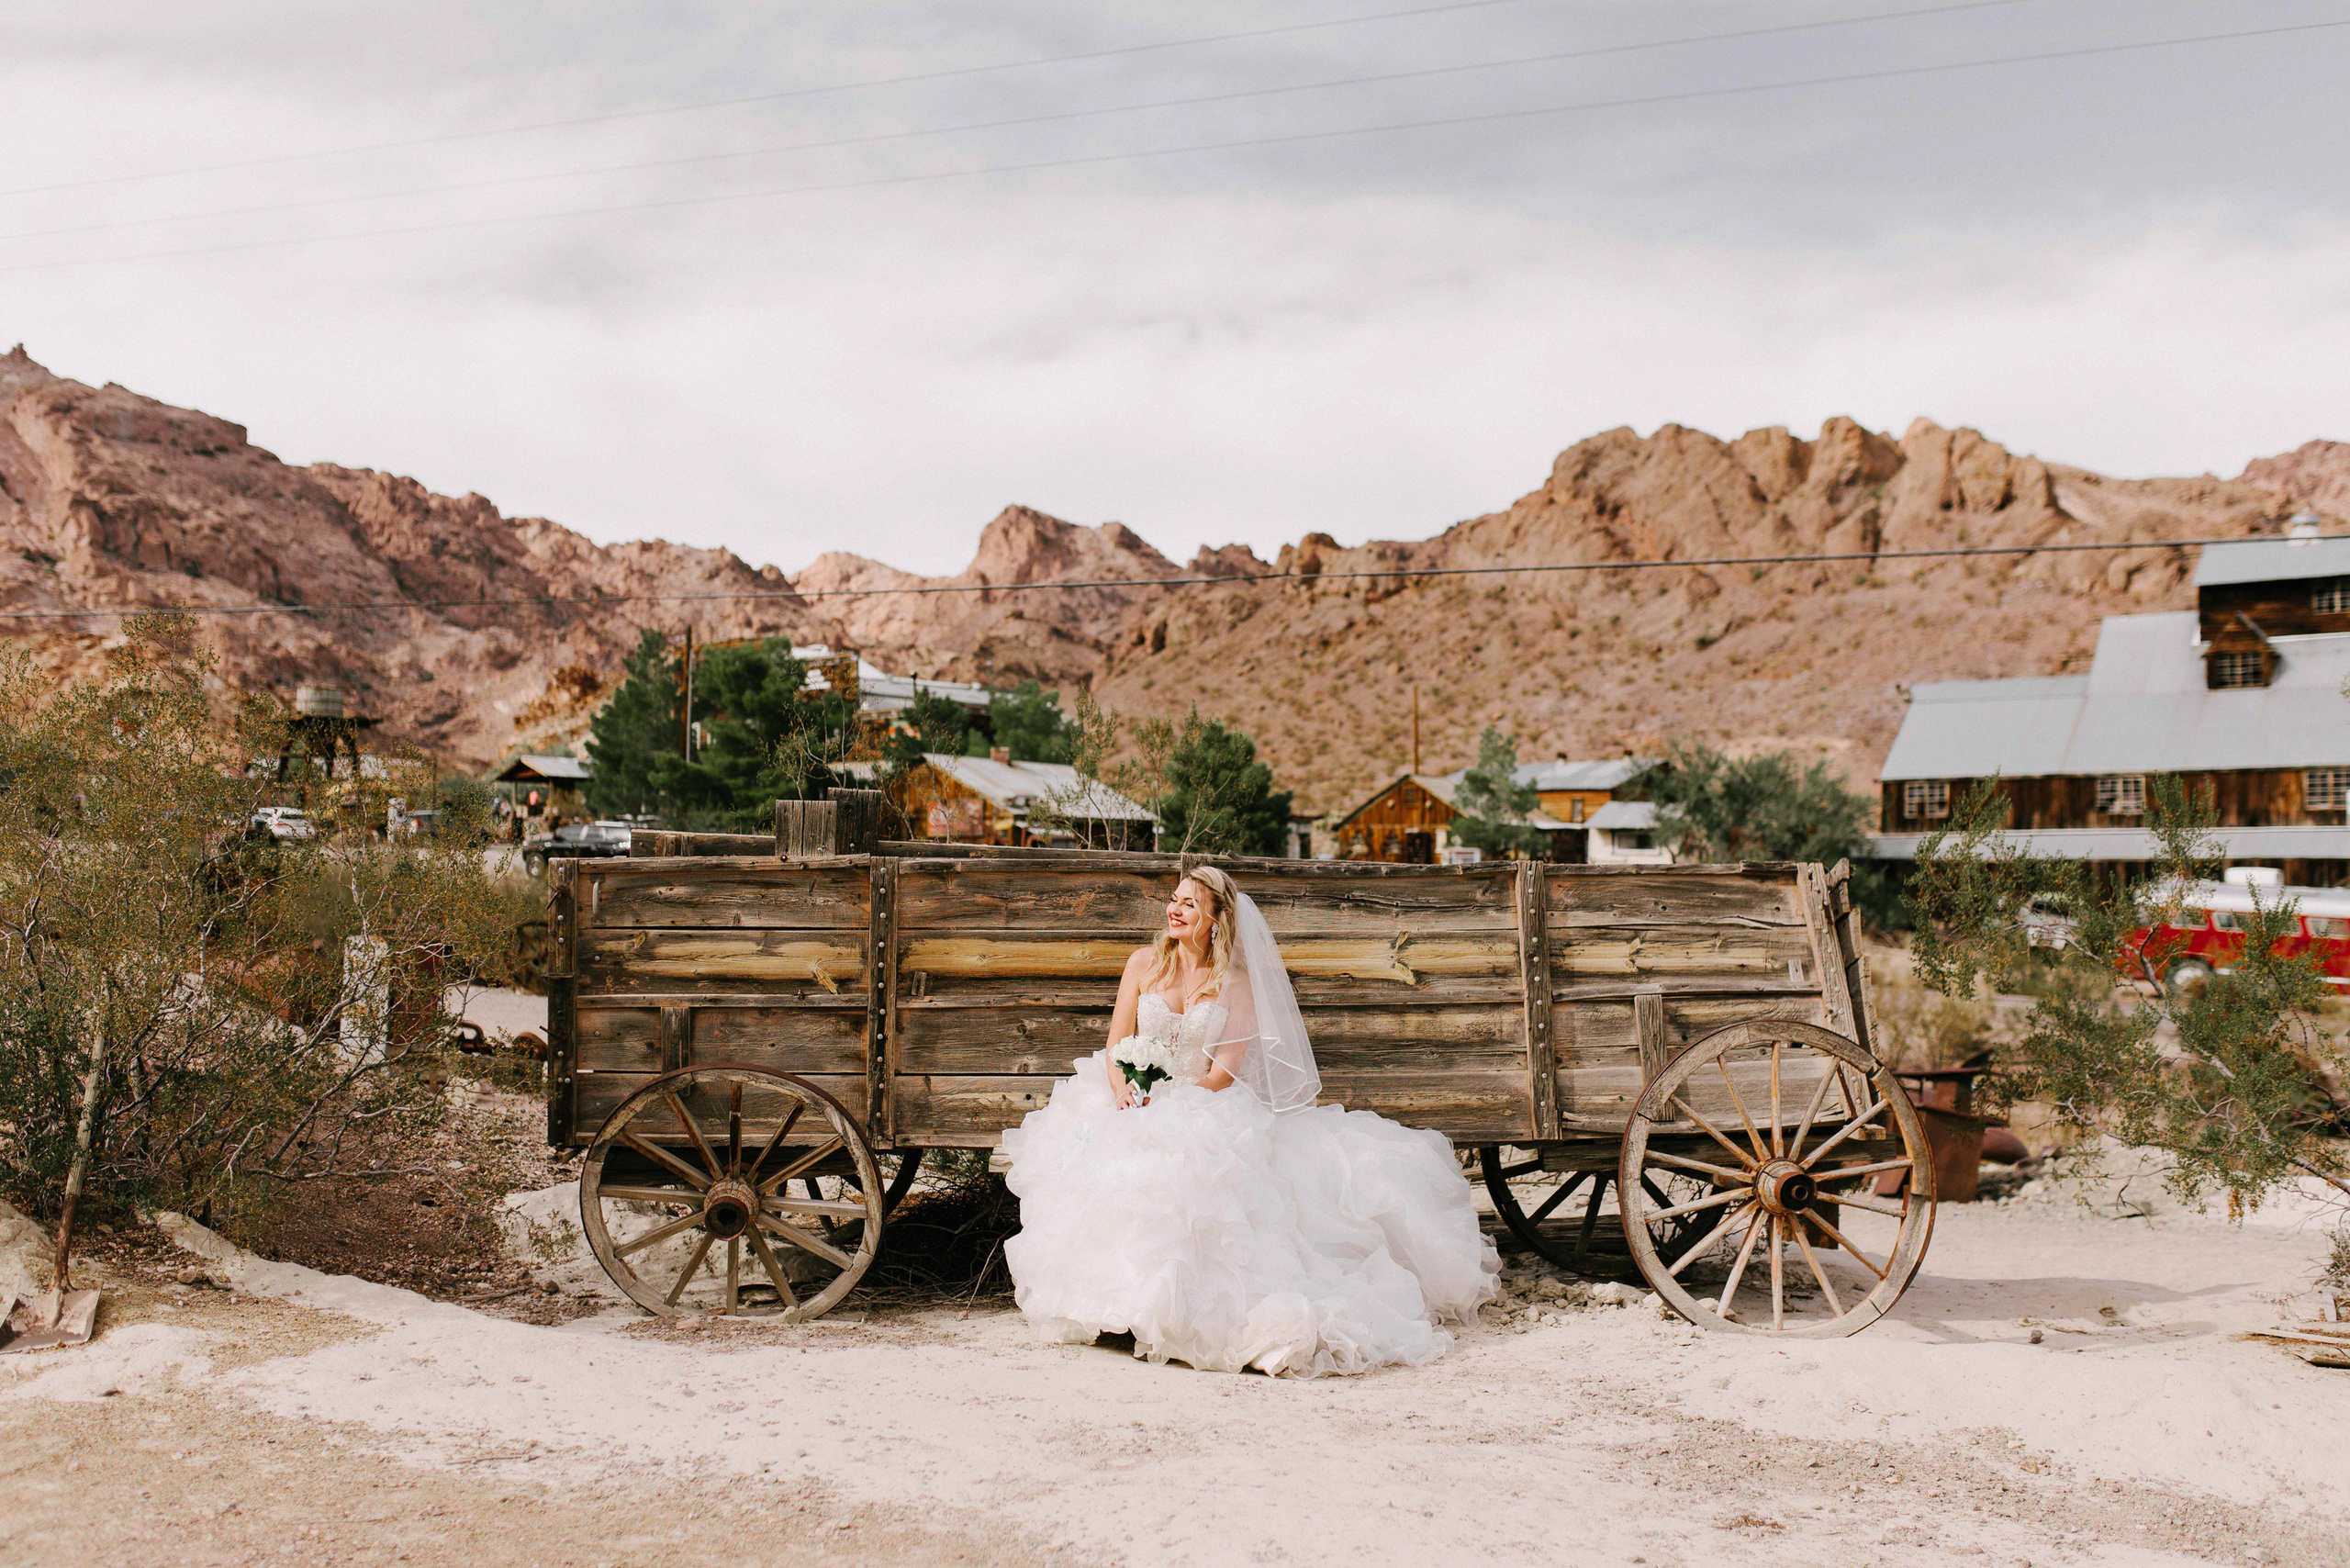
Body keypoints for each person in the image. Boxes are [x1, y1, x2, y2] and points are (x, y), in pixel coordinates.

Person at [1001, 866, 1498, 1377]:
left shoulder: (1235, 983)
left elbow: (1222, 1073)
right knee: (1114, 1163)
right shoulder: (1143, 963)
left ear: (1216, 918)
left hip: (1200, 1101)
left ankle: (1178, 1311)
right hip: (1131, 1095)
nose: (1175, 909)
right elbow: (1115, 1044)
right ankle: (1114, 1307)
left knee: (1191, 1173)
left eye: (1190, 904)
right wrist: (1127, 1088)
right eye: (1174, 899)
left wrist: (1175, 1102)